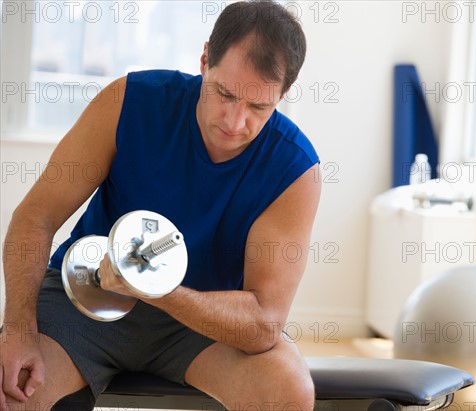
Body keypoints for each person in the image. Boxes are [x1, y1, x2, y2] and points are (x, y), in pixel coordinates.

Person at [0, 1, 321, 410]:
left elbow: (262, 323)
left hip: (204, 322)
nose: (235, 122)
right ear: (205, 59)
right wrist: (17, 330)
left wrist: (156, 290)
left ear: (283, 94)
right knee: (10, 390)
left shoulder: (295, 169)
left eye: (259, 107)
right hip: (90, 296)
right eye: (225, 93)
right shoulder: (128, 102)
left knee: (288, 391)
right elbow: (35, 217)